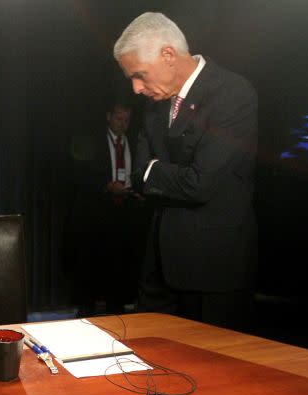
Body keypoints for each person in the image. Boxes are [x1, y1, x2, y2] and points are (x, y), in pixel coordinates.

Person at [114, 12, 258, 329]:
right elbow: (138, 174)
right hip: (157, 267)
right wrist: (157, 172)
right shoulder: (152, 102)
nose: (136, 88)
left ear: (168, 55)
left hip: (212, 269)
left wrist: (155, 171)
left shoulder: (233, 93)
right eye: (131, 79)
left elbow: (199, 183)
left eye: (139, 75)